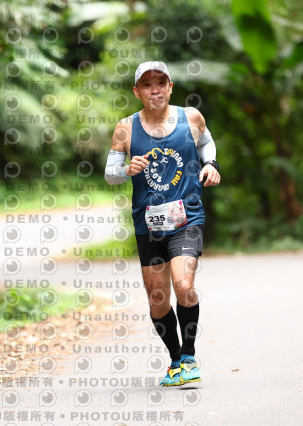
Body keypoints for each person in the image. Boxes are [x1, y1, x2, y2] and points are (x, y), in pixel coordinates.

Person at [104, 61, 221, 386]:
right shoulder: (125, 128)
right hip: (149, 225)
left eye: (160, 83)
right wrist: (126, 169)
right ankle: (175, 359)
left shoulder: (191, 118)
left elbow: (206, 143)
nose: (154, 90)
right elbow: (110, 174)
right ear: (137, 92)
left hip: (187, 218)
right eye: (147, 85)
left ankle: (189, 357)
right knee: (158, 299)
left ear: (170, 87)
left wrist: (211, 164)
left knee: (183, 285)